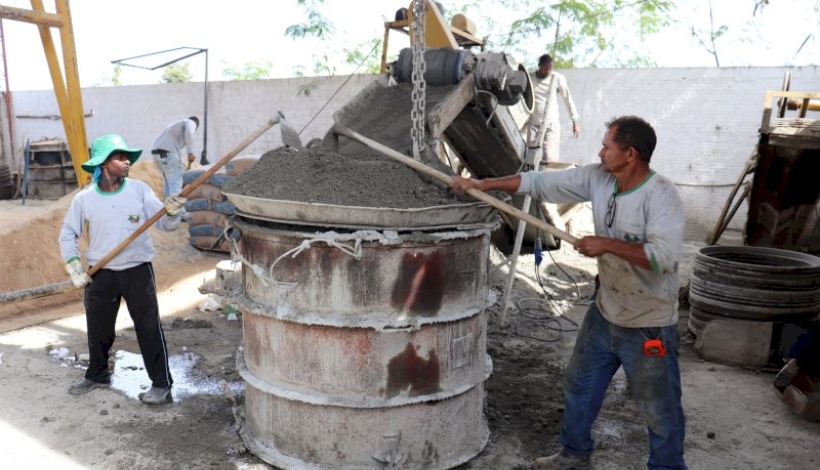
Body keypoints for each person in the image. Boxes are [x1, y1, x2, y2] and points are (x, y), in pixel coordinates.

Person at [451, 116, 687, 470]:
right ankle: (574, 454)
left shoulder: (662, 196)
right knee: (580, 383)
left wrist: (605, 244)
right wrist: (484, 184)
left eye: (607, 146)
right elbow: (540, 182)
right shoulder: (598, 177)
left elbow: (664, 258)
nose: (600, 151)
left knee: (659, 406)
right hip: (605, 311)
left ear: (631, 154)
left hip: (648, 323)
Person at [59, 133, 187, 405]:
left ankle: (162, 385)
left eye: (127, 157)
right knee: (98, 328)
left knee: (148, 327)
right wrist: (73, 264)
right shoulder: (85, 199)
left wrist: (172, 213)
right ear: (103, 164)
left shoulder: (138, 190)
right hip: (101, 273)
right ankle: (97, 375)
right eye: (120, 157)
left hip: (137, 271)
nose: (127, 161)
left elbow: (163, 223)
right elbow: (68, 233)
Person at [526, 54, 580, 164]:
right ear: (539, 66)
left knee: (550, 159)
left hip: (551, 124)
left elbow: (568, 99)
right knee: (530, 159)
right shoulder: (529, 78)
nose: (548, 71)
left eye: (550, 68)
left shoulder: (558, 78)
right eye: (545, 68)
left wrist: (575, 121)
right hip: (534, 123)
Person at [151, 116, 199, 199]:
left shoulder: (175, 125)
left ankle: (168, 209)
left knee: (169, 184)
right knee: (175, 185)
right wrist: (190, 152)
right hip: (168, 154)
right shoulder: (190, 122)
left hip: (157, 155)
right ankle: (178, 211)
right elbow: (189, 132)